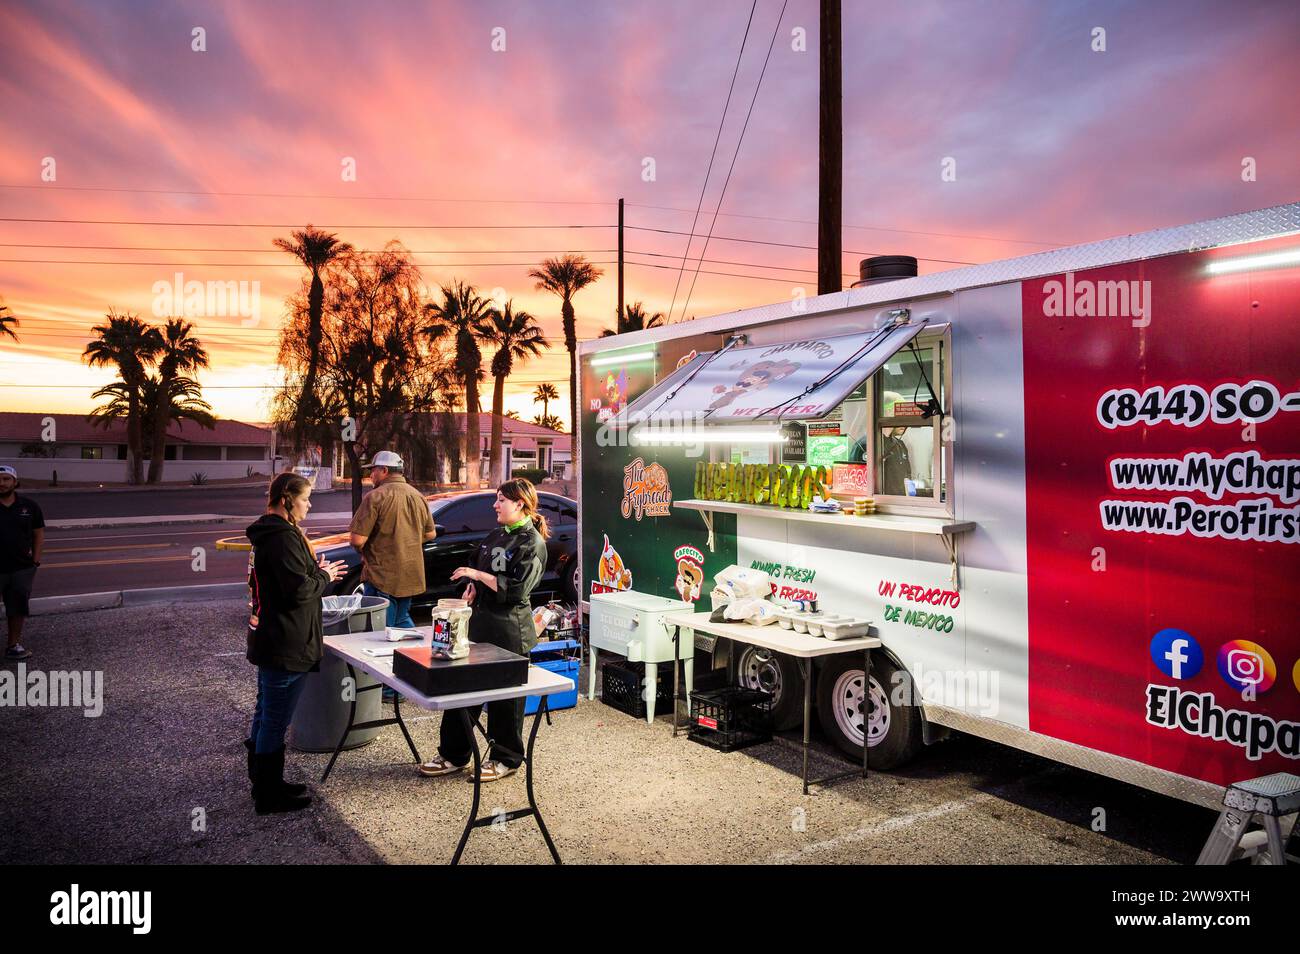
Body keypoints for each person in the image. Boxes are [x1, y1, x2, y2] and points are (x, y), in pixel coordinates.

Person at [419, 478, 548, 782]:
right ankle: (454, 754)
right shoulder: (495, 534)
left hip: (509, 633)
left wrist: (476, 574)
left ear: (520, 503)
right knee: (463, 693)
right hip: (478, 630)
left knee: (506, 702)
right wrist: (472, 586)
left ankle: (506, 759)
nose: (495, 505)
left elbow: (516, 591)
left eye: (501, 500)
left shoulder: (532, 543)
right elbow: (479, 570)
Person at [245, 472, 346, 815]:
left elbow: (287, 582)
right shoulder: (282, 537)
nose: (310, 504)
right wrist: (324, 576)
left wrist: (312, 572)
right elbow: (299, 592)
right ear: (288, 499)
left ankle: (264, 782)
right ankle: (267, 793)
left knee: (266, 713)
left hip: (274, 639)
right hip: (286, 643)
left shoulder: (270, 535)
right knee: (274, 719)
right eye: (305, 498)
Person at [349, 451, 435, 629]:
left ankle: (405, 655)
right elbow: (430, 534)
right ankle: (417, 653)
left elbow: (357, 540)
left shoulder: (375, 497)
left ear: (384, 470)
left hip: (382, 576)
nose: (371, 475)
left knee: (380, 631)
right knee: (401, 620)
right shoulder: (418, 496)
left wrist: (366, 550)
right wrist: (404, 540)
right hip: (409, 575)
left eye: (373, 470)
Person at [0, 465, 43, 662]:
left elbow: (38, 533)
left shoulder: (29, 506)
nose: (2, 483)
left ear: (15, 482)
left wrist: (35, 560)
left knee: (17, 608)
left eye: (6, 479)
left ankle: (13, 645)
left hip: (21, 568)